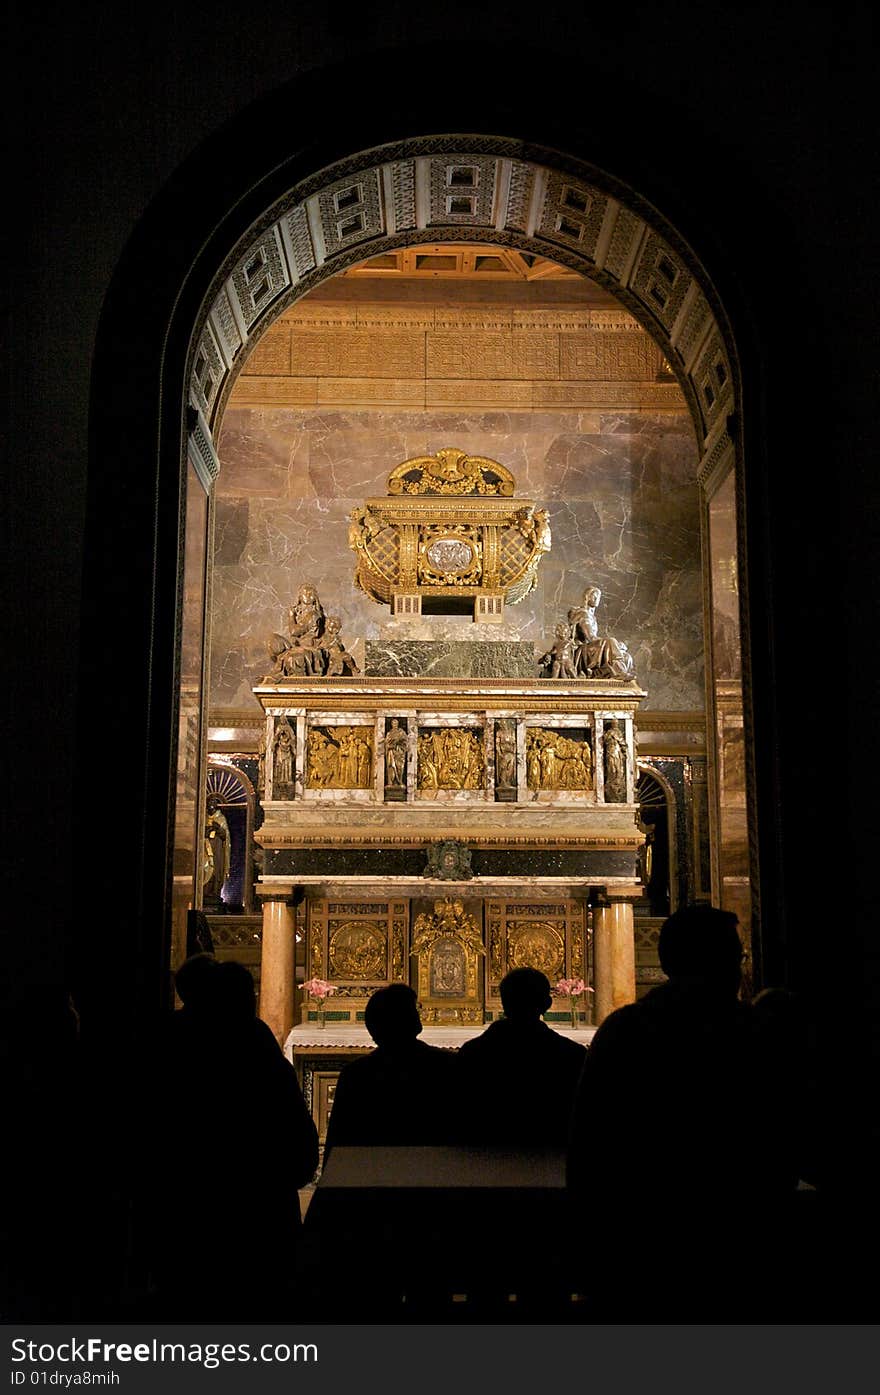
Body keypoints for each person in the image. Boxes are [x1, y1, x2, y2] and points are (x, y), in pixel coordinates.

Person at [567, 904, 798, 1320]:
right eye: (738, 957)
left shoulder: (626, 1030)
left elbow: (589, 1143)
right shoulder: (756, 1033)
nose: (740, 968)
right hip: (741, 1240)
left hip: (638, 1239)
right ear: (727, 964)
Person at [146, 958, 318, 1320]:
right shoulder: (254, 1043)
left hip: (185, 1205)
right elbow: (289, 1121)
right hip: (257, 1205)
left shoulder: (164, 1039)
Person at [455, 967, 587, 1147]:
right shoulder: (572, 1055)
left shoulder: (473, 1052)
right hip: (549, 1158)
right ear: (547, 1004)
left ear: (502, 1001)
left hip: (483, 1158)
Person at [322, 984, 456, 1160]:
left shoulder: (356, 1074)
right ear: (411, 1021)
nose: (418, 1013)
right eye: (414, 1009)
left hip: (371, 1172)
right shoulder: (445, 1065)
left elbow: (337, 1142)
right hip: (433, 1170)